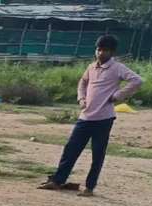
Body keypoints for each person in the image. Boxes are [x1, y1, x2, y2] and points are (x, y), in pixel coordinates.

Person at [38, 35, 142, 196]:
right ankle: (57, 181)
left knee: (97, 153)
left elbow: (137, 81)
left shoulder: (117, 68)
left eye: (105, 50)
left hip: (103, 118)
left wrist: (118, 96)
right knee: (70, 150)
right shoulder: (91, 67)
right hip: (85, 117)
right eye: (99, 49)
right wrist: (81, 98)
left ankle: (89, 187)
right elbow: (82, 82)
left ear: (112, 52)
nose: (101, 53)